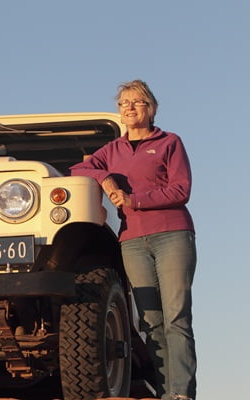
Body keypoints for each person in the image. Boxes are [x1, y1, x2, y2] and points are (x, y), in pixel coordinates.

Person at [70, 80, 197, 400]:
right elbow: (79, 168)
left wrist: (132, 199)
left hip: (172, 235)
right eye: (124, 102)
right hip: (132, 241)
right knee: (151, 321)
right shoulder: (112, 151)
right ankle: (166, 392)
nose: (129, 107)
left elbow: (181, 190)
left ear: (150, 108)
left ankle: (181, 392)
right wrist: (106, 177)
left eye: (137, 102)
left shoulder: (169, 142)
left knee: (176, 316)